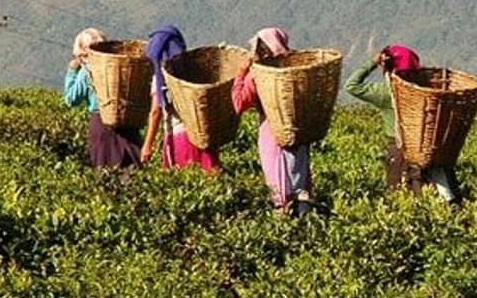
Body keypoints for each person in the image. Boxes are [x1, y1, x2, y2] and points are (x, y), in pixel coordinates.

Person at [344, 44, 459, 202]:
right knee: (436, 198)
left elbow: (351, 85)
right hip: (430, 151)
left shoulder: (386, 93)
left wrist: (372, 62)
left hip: (399, 152)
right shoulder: (428, 92)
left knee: (400, 197)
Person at [231, 27, 315, 217]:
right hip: (298, 133)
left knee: (279, 185)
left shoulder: (259, 77)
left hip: (272, 133)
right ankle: (304, 219)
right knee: (300, 182)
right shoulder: (295, 72)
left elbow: (238, 104)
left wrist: (241, 74)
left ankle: (284, 219)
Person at [140, 25, 219, 172]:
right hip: (202, 136)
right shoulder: (195, 70)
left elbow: (155, 112)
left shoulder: (161, 77)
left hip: (180, 139)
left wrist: (147, 145)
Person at [63, 27, 142, 169]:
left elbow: (71, 99)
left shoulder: (88, 70)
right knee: (132, 172)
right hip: (128, 123)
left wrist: (72, 72)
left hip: (102, 125)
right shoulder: (120, 68)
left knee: (106, 172)